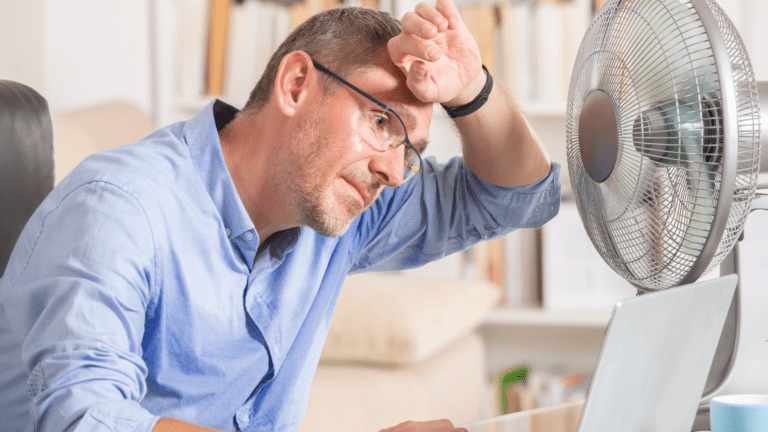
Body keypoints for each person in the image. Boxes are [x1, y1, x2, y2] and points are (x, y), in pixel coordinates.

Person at [0, 0, 559, 431]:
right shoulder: (119, 206)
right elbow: (87, 420)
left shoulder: (335, 209)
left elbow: (516, 197)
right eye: (383, 123)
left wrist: (473, 91)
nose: (393, 170)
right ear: (296, 85)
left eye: (409, 150)